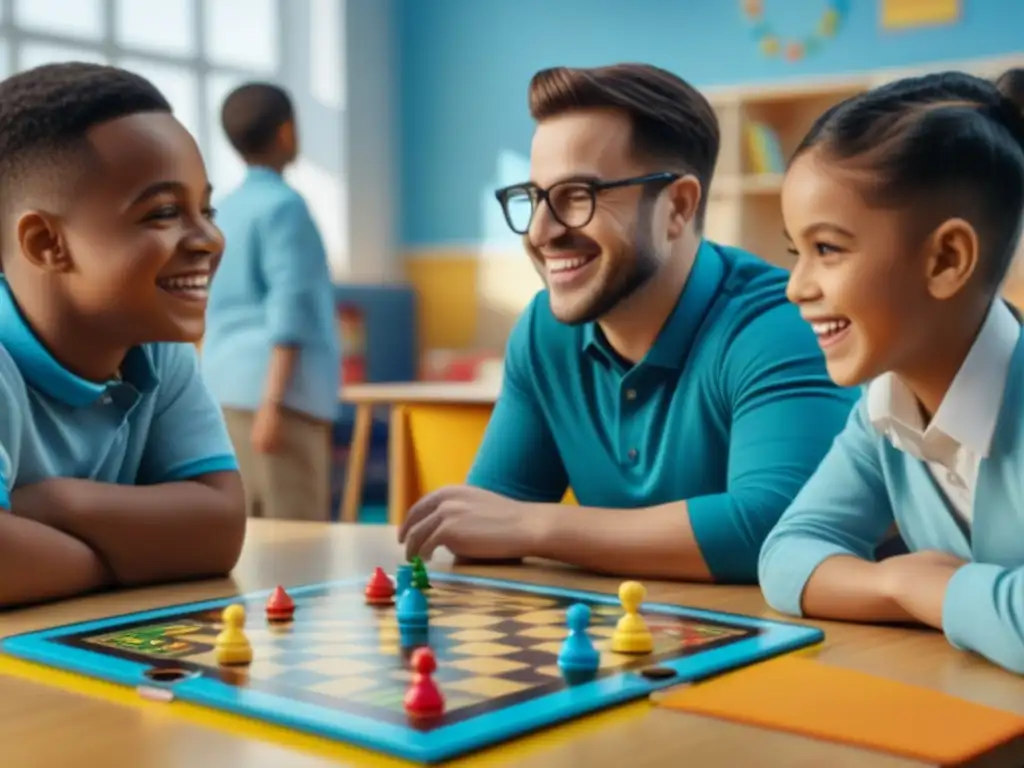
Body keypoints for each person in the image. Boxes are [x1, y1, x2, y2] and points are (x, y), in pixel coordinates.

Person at [398, 63, 857, 582]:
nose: (542, 232)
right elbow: (486, 526)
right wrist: (512, 525)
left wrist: (538, 527)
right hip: (629, 651)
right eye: (534, 198)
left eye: (577, 196)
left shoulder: (778, 322)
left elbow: (775, 526)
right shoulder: (545, 331)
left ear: (677, 207)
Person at [758, 69, 1024, 674]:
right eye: (795, 251)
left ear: (946, 260)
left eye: (827, 249)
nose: (796, 286)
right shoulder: (884, 411)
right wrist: (903, 585)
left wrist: (943, 592)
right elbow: (787, 556)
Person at [0, 62, 246, 608]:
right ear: (45, 243)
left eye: (205, 209)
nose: (208, 238)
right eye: (163, 212)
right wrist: (120, 560)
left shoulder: (157, 349)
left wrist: (56, 504)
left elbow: (220, 527)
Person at [201, 83, 340, 522]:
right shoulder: (286, 208)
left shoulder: (221, 209)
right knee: (298, 541)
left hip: (224, 390)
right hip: (280, 400)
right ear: (286, 133)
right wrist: (273, 406)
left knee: (247, 533)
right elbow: (290, 312)